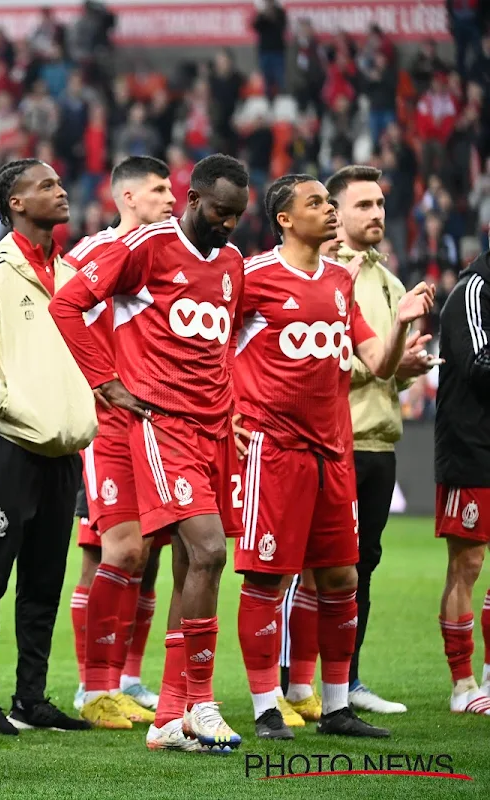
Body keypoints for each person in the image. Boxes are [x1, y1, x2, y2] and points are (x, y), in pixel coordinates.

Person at [50, 154, 251, 750]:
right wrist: (103, 377)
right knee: (204, 551)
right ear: (193, 200)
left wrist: (234, 409)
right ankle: (193, 700)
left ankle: (170, 714)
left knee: (192, 561)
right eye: (220, 212)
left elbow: (223, 345)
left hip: (215, 428)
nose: (229, 225)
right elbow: (69, 305)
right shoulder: (145, 247)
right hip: (163, 424)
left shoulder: (232, 262)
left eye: (238, 215)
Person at [232, 174, 433, 740]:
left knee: (341, 575)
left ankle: (338, 705)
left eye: (328, 201)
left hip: (334, 452)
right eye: (315, 203)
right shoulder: (253, 277)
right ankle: (266, 705)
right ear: (286, 220)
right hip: (275, 452)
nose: (328, 211)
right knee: (268, 581)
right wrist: (228, 414)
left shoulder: (341, 281)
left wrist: (398, 326)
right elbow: (212, 346)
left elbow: (377, 359)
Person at [0, 158, 98, 736]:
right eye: (46, 186)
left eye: (61, 183)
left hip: (64, 454)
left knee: (43, 582)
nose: (61, 192)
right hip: (9, 445)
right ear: (15, 202)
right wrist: (16, 406)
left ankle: (29, 698)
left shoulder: (73, 269)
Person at [62, 157, 174, 730]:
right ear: (128, 197)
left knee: (146, 557)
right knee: (113, 552)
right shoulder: (89, 253)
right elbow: (60, 316)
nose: (171, 198)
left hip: (154, 422)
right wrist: (95, 384)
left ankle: (125, 677)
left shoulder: (168, 258)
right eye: (158, 190)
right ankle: (92, 684)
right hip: (103, 422)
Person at [328, 164, 429, 715]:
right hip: (331, 442)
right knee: (317, 569)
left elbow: (387, 370)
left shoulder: (390, 284)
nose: (377, 214)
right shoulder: (320, 276)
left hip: (378, 446)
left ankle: (349, 680)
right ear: (335, 214)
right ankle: (296, 683)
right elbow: (327, 365)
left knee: (362, 568)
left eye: (381, 204)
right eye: (363, 205)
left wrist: (407, 365)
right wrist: (384, 362)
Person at [435, 246, 490, 716]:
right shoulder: (474, 291)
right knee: (467, 564)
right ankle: (462, 684)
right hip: (471, 449)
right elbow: (480, 366)